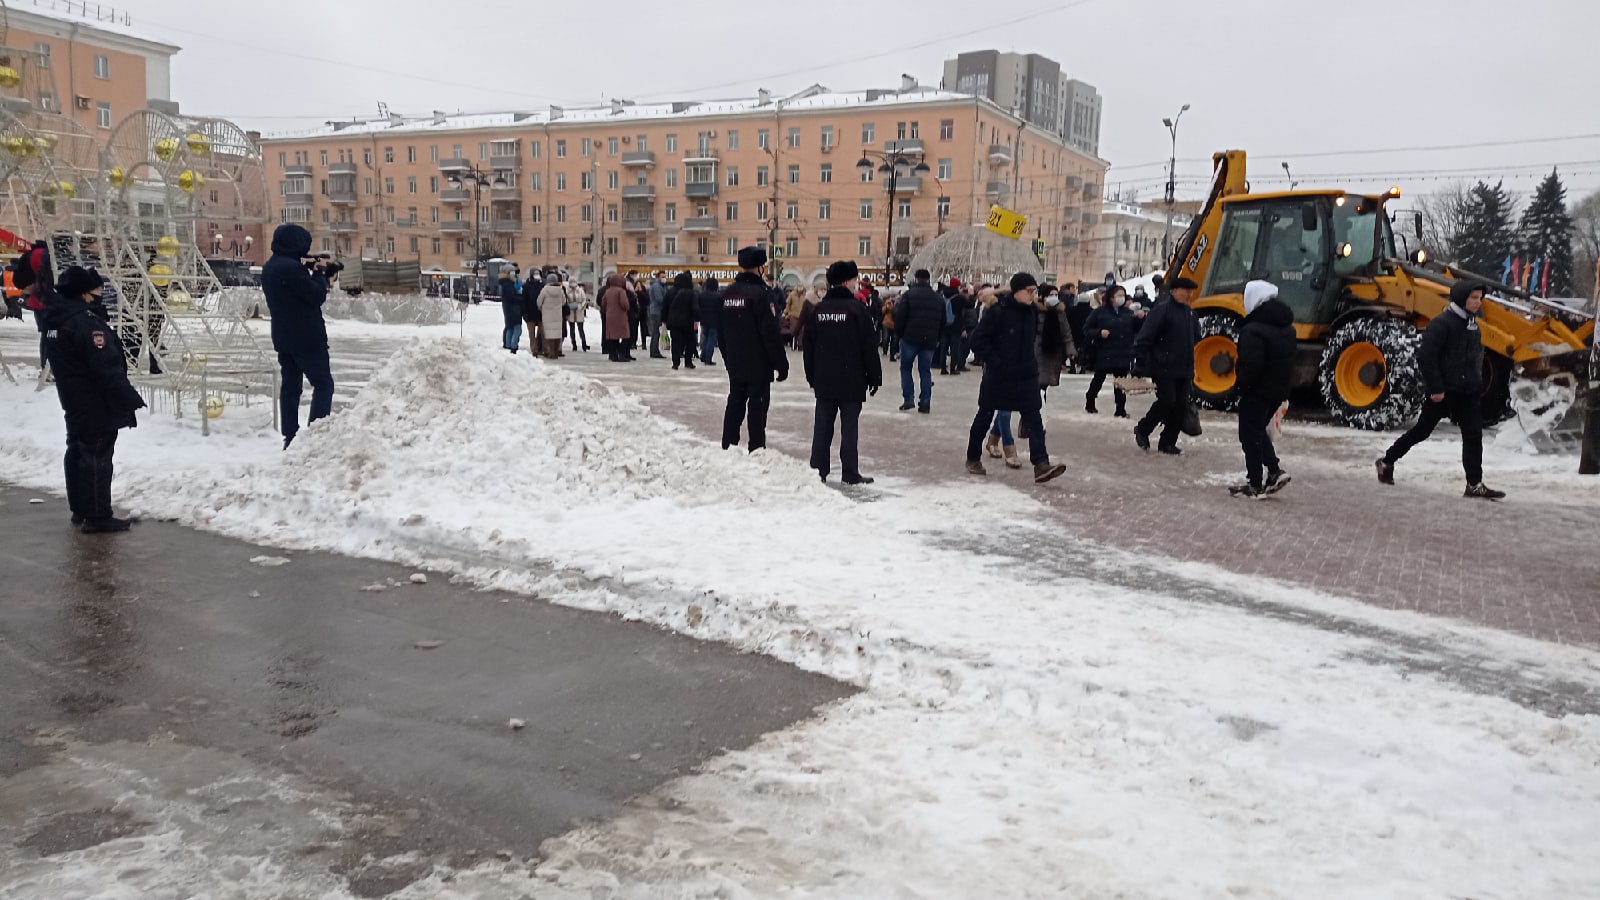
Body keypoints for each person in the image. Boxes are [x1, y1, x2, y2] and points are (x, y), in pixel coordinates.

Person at [1376, 280, 1506, 499]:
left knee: (1473, 434)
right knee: (1422, 431)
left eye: (1480, 298)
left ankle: (1474, 484)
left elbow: (1474, 356)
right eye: (1473, 297)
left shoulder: (1473, 324)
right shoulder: (1442, 323)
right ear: (1461, 298)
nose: (1478, 302)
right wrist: (1436, 387)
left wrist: (1477, 383)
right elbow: (1426, 357)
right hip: (1443, 391)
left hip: (1467, 392)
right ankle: (1387, 460)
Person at [41, 266, 146, 533]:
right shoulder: (85, 324)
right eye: (97, 290)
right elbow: (105, 367)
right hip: (94, 401)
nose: (100, 294)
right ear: (84, 293)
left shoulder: (55, 319)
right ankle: (98, 514)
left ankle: (81, 508)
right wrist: (129, 398)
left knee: (77, 451)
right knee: (96, 456)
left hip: (74, 399)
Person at [964, 273, 1067, 484]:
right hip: (999, 375)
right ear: (1017, 291)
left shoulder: (1031, 311)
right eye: (1029, 291)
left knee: (1034, 421)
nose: (1033, 295)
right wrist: (995, 360)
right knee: (985, 415)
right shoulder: (997, 310)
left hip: (1026, 375)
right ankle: (972, 457)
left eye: (1035, 291)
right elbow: (978, 340)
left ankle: (1041, 464)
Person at [802, 260, 882, 484]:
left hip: (825, 379)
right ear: (847, 281)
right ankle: (849, 473)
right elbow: (869, 346)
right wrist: (874, 376)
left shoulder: (819, 310)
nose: (856, 284)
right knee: (849, 429)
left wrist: (812, 376)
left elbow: (808, 346)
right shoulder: (857, 309)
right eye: (855, 280)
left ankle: (818, 469)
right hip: (852, 379)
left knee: (823, 428)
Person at [261, 223, 334, 449]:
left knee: (291, 387)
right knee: (323, 384)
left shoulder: (271, 267)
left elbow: (295, 293)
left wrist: (310, 269)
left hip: (284, 337)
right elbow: (314, 296)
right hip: (307, 337)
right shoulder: (292, 269)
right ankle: (316, 433)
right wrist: (321, 275)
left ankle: (290, 436)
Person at [718, 246, 788, 451]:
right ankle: (756, 449)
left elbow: (720, 332)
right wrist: (781, 364)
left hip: (736, 362)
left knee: (735, 403)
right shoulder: (761, 295)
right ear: (760, 267)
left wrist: (728, 358)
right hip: (758, 363)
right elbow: (770, 333)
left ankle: (728, 446)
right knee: (757, 409)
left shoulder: (726, 294)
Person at [1230, 280, 1295, 498]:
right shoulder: (1287, 327)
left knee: (1249, 434)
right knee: (1257, 430)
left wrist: (1240, 387)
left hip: (1257, 390)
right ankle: (1275, 471)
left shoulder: (1253, 330)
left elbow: (1251, 365)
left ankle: (1255, 483)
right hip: (1278, 390)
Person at [1131, 275, 1199, 455]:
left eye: (1191, 292)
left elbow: (1195, 339)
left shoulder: (1190, 313)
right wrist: (1140, 362)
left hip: (1184, 369)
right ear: (1174, 291)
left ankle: (1167, 442)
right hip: (1163, 366)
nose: (1189, 295)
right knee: (1167, 401)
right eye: (1185, 291)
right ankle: (1143, 429)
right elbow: (1145, 337)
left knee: (1181, 406)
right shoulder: (1162, 310)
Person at [1082, 284, 1143, 416]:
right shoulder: (1099, 312)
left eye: (1123, 295)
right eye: (1118, 295)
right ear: (1111, 297)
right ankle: (1090, 401)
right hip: (1105, 351)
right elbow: (1086, 330)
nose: (1121, 298)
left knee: (1120, 382)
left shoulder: (1128, 313)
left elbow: (1136, 329)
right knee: (1098, 379)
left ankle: (1120, 409)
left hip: (1123, 352)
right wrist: (1099, 333)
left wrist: (1140, 319)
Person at [894, 269, 944, 413]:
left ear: (916, 279)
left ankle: (909, 398)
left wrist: (900, 334)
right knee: (925, 371)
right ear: (929, 280)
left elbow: (900, 317)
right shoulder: (937, 298)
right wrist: (937, 338)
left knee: (906, 368)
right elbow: (943, 321)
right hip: (929, 340)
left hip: (909, 338)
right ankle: (925, 401)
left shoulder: (908, 296)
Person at [1034, 283, 1076, 400]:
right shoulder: (1036, 311)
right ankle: (1036, 413)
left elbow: (1066, 333)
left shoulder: (1060, 313)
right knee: (1038, 384)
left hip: (1054, 352)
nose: (1054, 297)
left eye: (1056, 295)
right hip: (1038, 350)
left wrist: (1070, 350)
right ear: (1043, 296)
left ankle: (1037, 412)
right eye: (1051, 295)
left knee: (1044, 384)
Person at [666, 271, 699, 370]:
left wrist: (665, 319)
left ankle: (675, 363)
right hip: (687, 322)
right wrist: (697, 318)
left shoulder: (670, 291)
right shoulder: (691, 293)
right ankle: (688, 362)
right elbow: (695, 308)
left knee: (675, 342)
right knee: (689, 342)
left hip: (674, 321)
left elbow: (665, 306)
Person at [599, 273, 634, 362]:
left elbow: (603, 303)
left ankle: (613, 354)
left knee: (612, 336)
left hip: (609, 316)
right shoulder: (621, 291)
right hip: (620, 316)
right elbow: (624, 304)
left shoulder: (608, 291)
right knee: (625, 336)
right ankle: (621, 354)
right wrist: (627, 307)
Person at [535, 272, 567, 358]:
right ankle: (556, 353)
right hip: (557, 315)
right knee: (557, 335)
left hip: (547, 315)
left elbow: (539, 302)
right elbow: (564, 302)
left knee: (549, 335)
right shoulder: (560, 290)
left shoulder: (545, 290)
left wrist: (542, 308)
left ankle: (551, 352)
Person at [696, 277, 721, 365]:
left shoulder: (701, 295)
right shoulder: (718, 296)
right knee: (711, 339)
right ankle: (708, 359)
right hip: (714, 320)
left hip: (703, 319)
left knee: (705, 337)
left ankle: (703, 355)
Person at [498, 269, 523, 353]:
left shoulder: (506, 284)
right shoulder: (509, 285)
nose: (515, 276)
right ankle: (513, 346)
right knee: (517, 329)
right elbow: (512, 298)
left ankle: (508, 346)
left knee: (510, 328)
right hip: (513, 310)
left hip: (509, 309)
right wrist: (520, 298)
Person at [564, 275, 591, 352]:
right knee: (572, 330)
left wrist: (581, 306)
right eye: (571, 282)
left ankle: (584, 344)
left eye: (574, 282)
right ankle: (574, 344)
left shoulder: (580, 290)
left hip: (579, 312)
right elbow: (565, 300)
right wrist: (569, 306)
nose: (573, 284)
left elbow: (584, 299)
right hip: (571, 312)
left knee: (581, 329)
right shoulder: (567, 291)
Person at [646, 270, 669, 358]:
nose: (664, 278)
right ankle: (654, 352)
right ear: (658, 277)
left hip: (656, 310)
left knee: (656, 332)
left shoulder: (660, 286)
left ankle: (655, 351)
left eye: (664, 276)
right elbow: (659, 299)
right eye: (662, 276)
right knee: (656, 332)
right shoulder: (657, 286)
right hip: (656, 311)